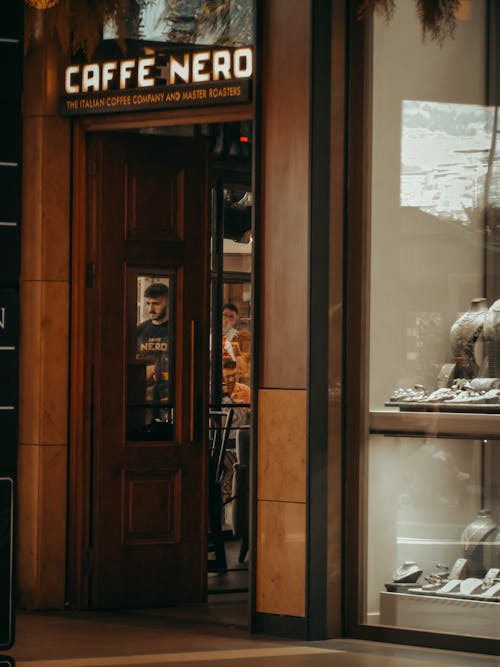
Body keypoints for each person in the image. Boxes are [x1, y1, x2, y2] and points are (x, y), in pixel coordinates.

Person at [136, 282, 170, 406]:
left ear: (167, 303)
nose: (150, 309)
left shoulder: (176, 330)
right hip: (141, 393)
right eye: (148, 303)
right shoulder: (139, 330)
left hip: (169, 394)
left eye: (156, 303)